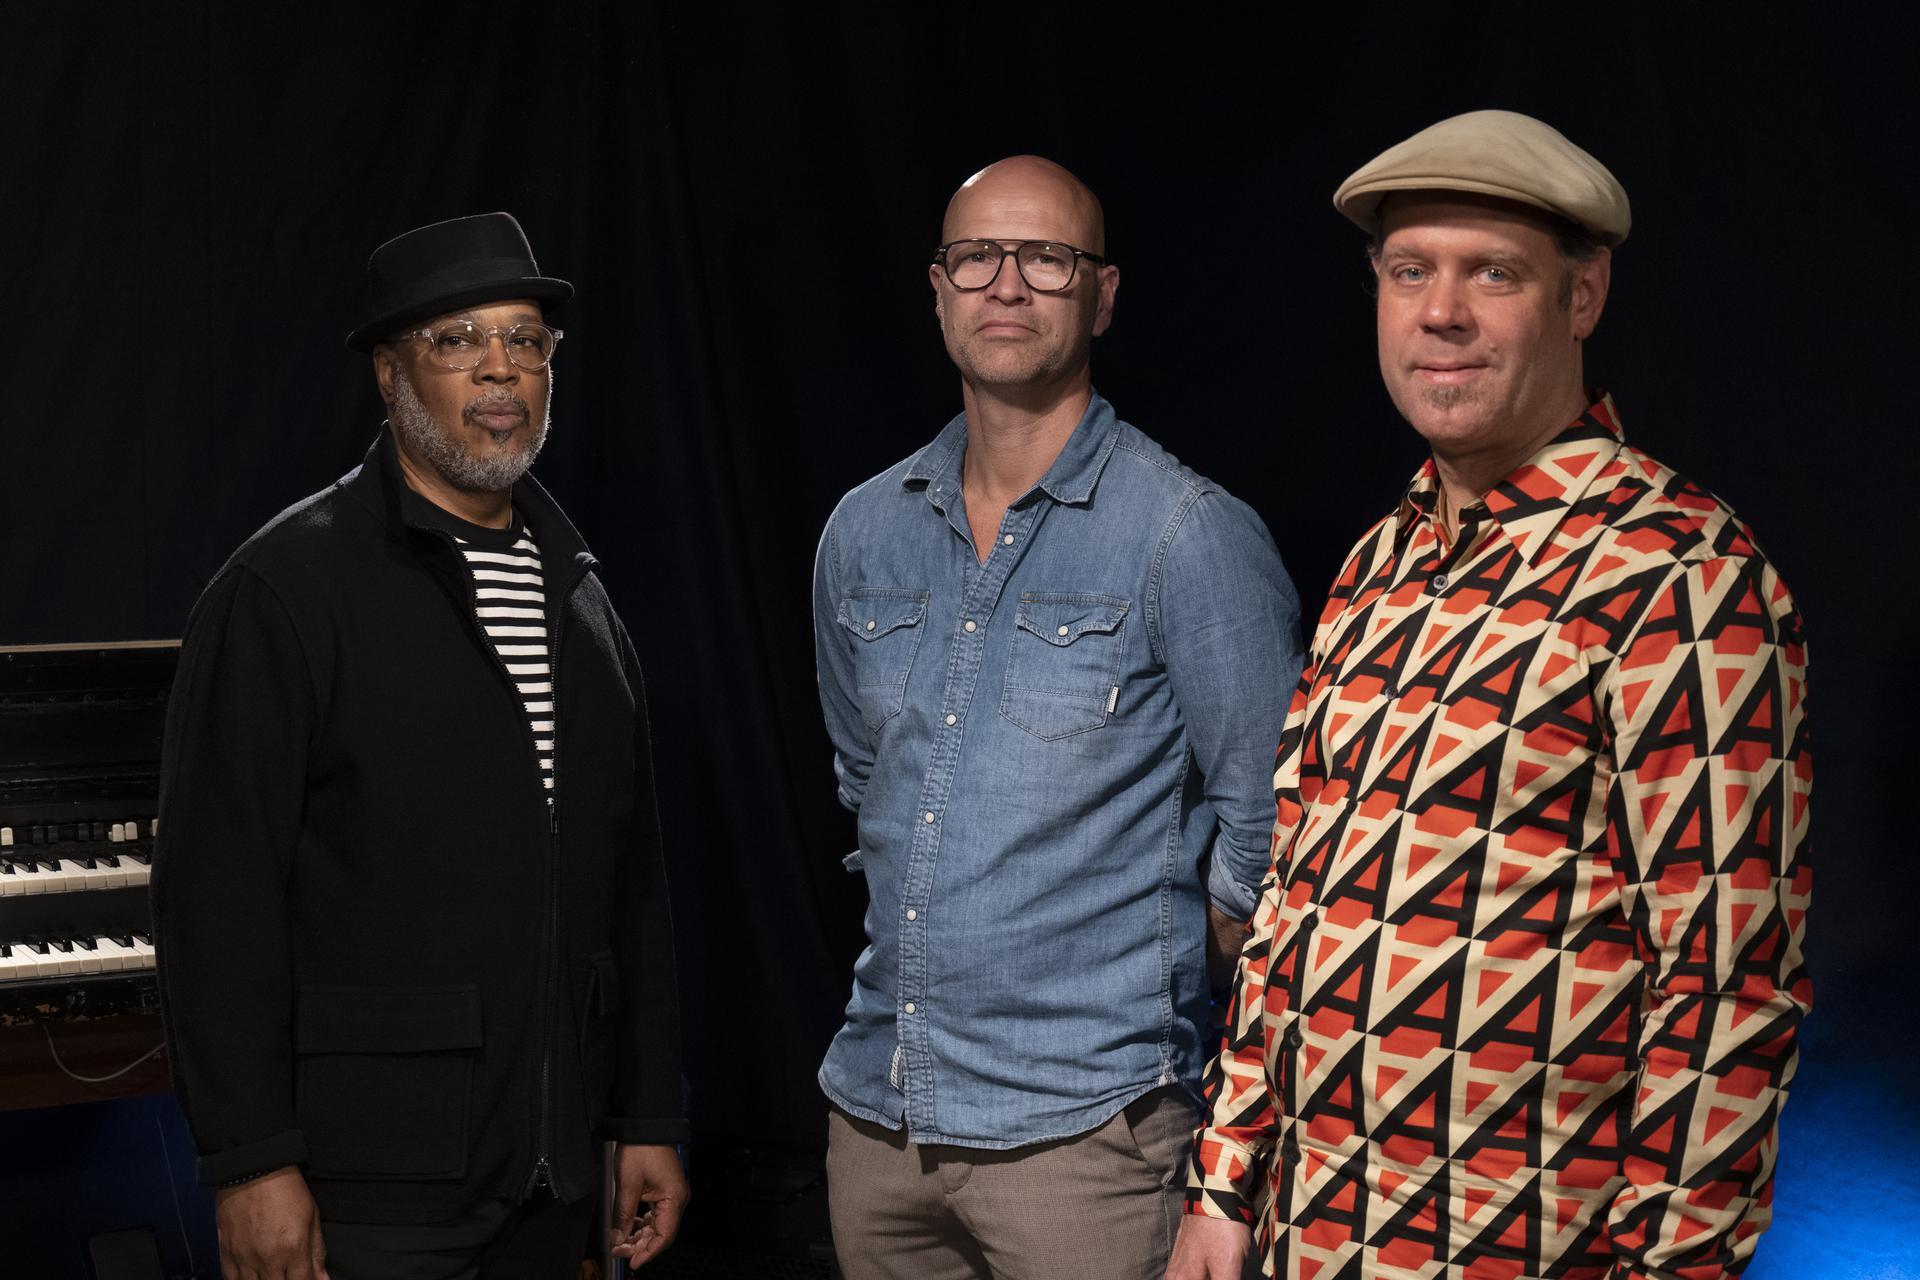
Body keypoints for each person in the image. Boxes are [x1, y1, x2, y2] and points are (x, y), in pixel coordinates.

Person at [1169, 111, 1812, 1280]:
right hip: (1307, 1239)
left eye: (1494, 273)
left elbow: (1724, 988)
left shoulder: (1680, 571)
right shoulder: (1378, 562)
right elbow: (1290, 907)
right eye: (1409, 271)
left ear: (1583, 295)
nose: (1442, 312)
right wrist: (1221, 1181)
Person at [151, 212, 689, 1279]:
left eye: (526, 339)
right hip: (369, 1185)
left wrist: (646, 1115)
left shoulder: (580, 595)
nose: (500, 367)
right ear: (390, 373)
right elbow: (215, 897)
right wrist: (250, 1162)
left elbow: (633, 886)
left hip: (554, 1180)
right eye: (457, 339)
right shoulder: (286, 590)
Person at [811, 155, 1305, 1279]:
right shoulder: (862, 531)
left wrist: (1152, 958)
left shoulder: (1189, 534)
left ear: (1102, 294)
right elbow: (866, 785)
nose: (1007, 284)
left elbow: (1277, 828)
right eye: (976, 257)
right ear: (938, 289)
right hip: (879, 1120)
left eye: (1046, 258)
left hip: (1089, 1136)